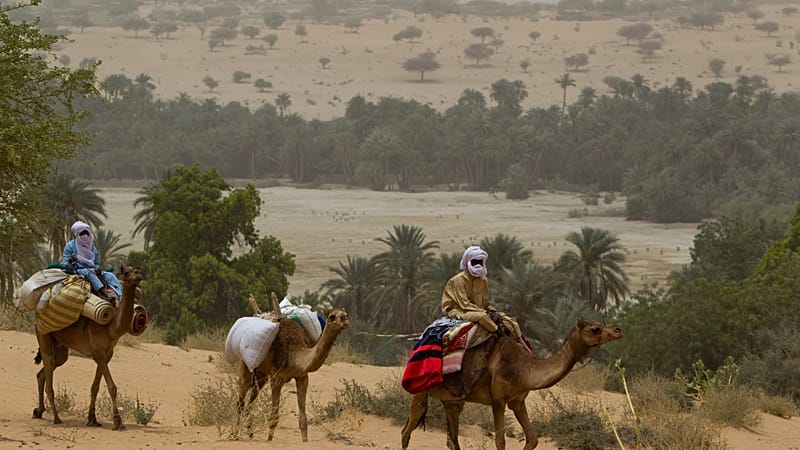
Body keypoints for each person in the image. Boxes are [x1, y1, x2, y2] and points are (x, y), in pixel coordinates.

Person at [441, 246, 522, 337]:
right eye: (475, 262)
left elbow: (486, 303)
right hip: (460, 310)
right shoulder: (458, 280)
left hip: (479, 310)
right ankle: (498, 332)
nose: (478, 265)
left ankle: (521, 341)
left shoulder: (483, 280)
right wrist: (485, 313)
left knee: (508, 320)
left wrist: (492, 311)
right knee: (482, 317)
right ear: (468, 262)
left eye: (480, 262)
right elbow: (464, 304)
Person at [61, 221, 121, 305]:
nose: (85, 236)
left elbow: (96, 261)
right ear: (76, 234)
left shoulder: (91, 246)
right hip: (78, 271)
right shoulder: (70, 246)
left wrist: (97, 267)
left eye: (86, 233)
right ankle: (105, 293)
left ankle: (120, 297)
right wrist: (70, 262)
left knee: (110, 276)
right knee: (88, 273)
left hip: (92, 269)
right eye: (82, 234)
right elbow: (64, 263)